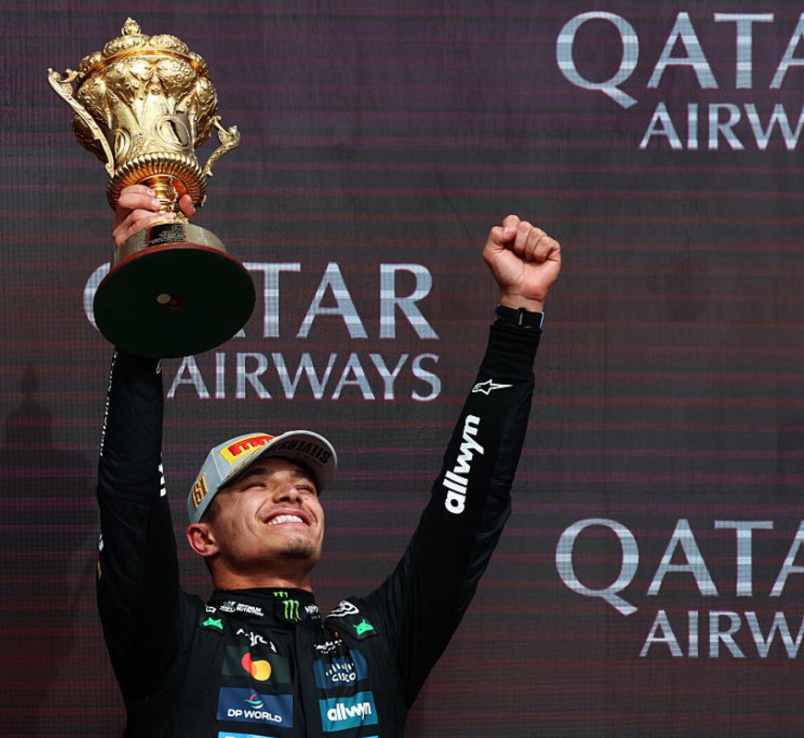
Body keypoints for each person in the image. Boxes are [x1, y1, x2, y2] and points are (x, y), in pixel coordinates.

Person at [96, 184, 561, 737]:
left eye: (305, 485)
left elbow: (467, 511)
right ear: (203, 538)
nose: (292, 493)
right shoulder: (177, 640)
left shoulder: (376, 637)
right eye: (256, 484)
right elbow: (130, 503)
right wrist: (144, 291)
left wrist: (520, 315)